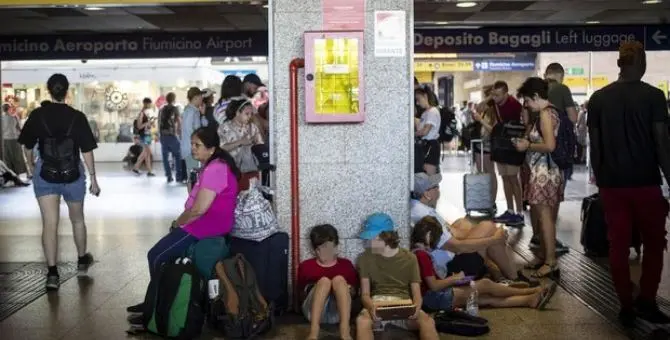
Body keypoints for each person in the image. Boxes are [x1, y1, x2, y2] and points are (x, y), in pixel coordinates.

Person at [587, 41, 670, 327]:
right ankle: (646, 300)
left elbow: (594, 147)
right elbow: (661, 144)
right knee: (655, 244)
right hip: (646, 184)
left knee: (618, 245)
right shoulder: (655, 97)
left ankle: (625, 304)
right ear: (642, 64)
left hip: (612, 186)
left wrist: (602, 178)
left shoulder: (598, 99)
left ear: (620, 64)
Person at [126, 126, 241, 318]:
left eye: (198, 145)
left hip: (205, 226)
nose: (193, 149)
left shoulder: (215, 168)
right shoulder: (214, 166)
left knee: (156, 256)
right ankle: (154, 299)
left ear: (211, 149)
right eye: (192, 144)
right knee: (164, 256)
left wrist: (177, 223)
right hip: (205, 223)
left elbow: (198, 210)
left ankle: (155, 306)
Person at [17, 73, 100, 291]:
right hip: (73, 175)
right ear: (67, 91)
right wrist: (93, 178)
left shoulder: (37, 115)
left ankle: (52, 274)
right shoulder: (77, 117)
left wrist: (30, 166)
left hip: (45, 174)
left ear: (48, 90)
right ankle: (82, 260)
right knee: (77, 220)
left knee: (49, 224)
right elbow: (87, 150)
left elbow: (26, 145)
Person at [411, 173, 534, 287]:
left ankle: (495, 270)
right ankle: (512, 276)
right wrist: (494, 239)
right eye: (435, 187)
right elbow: (456, 247)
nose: (438, 189)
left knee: (463, 223)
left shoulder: (416, 206)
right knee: (489, 228)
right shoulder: (426, 215)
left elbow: (454, 232)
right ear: (427, 194)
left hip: (445, 256)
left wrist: (479, 233)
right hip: (450, 268)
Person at [411, 217, 557, 312]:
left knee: (486, 299)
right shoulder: (422, 255)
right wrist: (454, 279)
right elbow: (434, 285)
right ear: (429, 239)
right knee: (486, 286)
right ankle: (532, 291)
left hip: (435, 299)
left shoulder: (416, 253)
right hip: (439, 299)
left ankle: (530, 299)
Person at [356, 212, 439, 340]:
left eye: (370, 239)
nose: (367, 243)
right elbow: (365, 295)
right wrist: (371, 307)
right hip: (377, 305)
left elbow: (416, 293)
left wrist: (416, 307)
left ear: (383, 237)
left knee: (428, 321)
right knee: (362, 321)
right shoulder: (365, 258)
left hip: (404, 305)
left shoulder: (409, 258)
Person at [513, 77, 564, 279]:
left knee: (545, 218)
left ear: (535, 96)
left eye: (527, 100)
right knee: (541, 217)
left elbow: (550, 146)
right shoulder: (546, 113)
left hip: (545, 172)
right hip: (541, 171)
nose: (526, 105)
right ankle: (544, 256)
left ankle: (551, 261)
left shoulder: (545, 113)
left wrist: (528, 146)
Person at [297, 224, 358, 340]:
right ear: (315, 250)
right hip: (313, 312)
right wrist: (318, 289)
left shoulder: (346, 265)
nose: (325, 252)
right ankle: (313, 333)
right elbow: (301, 296)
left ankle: (345, 331)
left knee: (339, 280)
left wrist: (346, 288)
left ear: (336, 247)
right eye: (321, 248)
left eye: (328, 247)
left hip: (338, 313)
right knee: (324, 281)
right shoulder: (306, 266)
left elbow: (354, 294)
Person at [490, 81, 525, 226]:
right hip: (501, 145)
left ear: (506, 93)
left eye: (498, 95)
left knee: (513, 178)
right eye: (493, 94)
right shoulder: (495, 104)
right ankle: (510, 210)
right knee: (505, 177)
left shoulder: (515, 105)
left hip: (512, 146)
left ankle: (520, 212)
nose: (495, 98)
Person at [218, 98, 264, 191]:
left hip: (250, 170)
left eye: (251, 114)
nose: (249, 117)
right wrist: (240, 142)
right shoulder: (224, 128)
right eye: (246, 114)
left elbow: (260, 145)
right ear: (237, 113)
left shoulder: (252, 127)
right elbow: (220, 148)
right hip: (230, 171)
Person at [181, 87, 207, 192]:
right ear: (195, 97)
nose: (202, 99)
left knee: (195, 175)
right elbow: (189, 130)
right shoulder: (190, 112)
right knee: (193, 176)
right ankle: (192, 202)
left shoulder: (195, 111)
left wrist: (203, 114)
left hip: (194, 148)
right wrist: (196, 145)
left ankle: (193, 201)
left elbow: (204, 126)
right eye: (201, 97)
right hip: (191, 149)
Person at [415, 87, 441, 175]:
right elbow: (420, 128)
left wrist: (412, 134)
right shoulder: (425, 113)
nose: (417, 103)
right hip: (425, 145)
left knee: (430, 179)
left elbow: (425, 131)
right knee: (426, 178)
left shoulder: (433, 112)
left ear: (425, 96)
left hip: (431, 145)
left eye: (418, 99)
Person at [158, 92, 183, 183]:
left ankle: (168, 176)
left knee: (165, 157)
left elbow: (159, 122)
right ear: (173, 99)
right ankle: (179, 176)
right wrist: (180, 133)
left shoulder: (162, 109)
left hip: (163, 136)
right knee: (177, 156)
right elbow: (179, 121)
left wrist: (159, 135)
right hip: (172, 135)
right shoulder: (175, 108)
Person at [131, 97, 155, 177]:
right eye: (149, 104)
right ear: (145, 103)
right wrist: (147, 123)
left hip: (148, 135)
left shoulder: (147, 113)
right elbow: (139, 126)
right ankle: (140, 168)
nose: (150, 105)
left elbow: (147, 125)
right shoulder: (141, 113)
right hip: (144, 135)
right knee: (147, 152)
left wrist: (151, 123)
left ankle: (142, 169)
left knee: (146, 153)